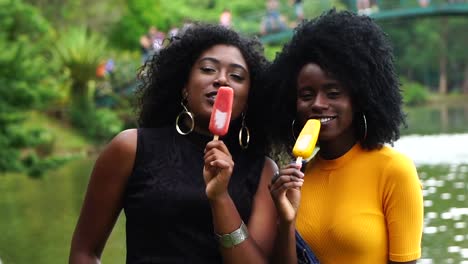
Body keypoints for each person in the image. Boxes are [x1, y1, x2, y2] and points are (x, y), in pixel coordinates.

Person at [69, 23, 278, 264]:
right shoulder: (130, 148)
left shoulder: (263, 171)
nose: (222, 80)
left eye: (237, 76)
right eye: (208, 69)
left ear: (249, 99)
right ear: (184, 87)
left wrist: (220, 198)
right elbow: (84, 252)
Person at [266, 9, 424, 264]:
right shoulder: (295, 180)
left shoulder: (394, 170)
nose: (318, 104)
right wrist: (285, 221)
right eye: (307, 95)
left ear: (358, 98)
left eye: (333, 93)